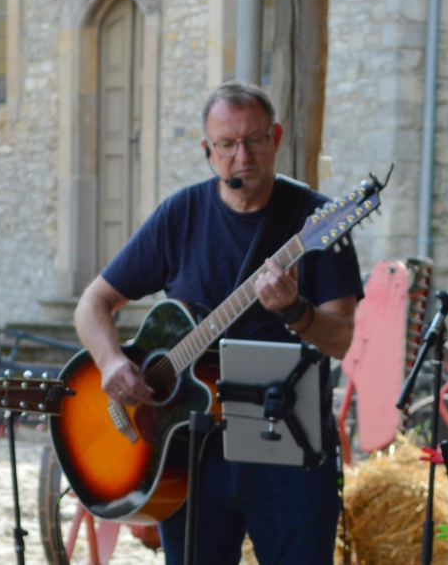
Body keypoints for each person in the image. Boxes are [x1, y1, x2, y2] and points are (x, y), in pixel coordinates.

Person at [74, 80, 362, 564]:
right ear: (207, 151)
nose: (241, 156)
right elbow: (93, 303)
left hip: (288, 449)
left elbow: (340, 339)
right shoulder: (179, 215)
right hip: (188, 452)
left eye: (253, 140)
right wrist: (108, 362)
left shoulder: (316, 220)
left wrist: (296, 310)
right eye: (226, 145)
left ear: (276, 138)